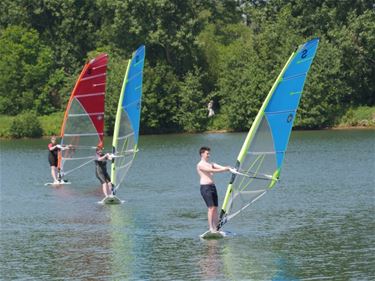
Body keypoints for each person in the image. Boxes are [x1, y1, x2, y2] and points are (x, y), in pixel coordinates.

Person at [197, 146, 230, 233]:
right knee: (211, 208)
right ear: (202, 154)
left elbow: (221, 167)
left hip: (212, 187)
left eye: (209, 153)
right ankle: (211, 228)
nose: (209, 155)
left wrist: (229, 168)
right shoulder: (200, 165)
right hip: (205, 188)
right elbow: (212, 170)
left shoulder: (211, 163)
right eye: (207, 153)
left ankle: (217, 228)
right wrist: (224, 169)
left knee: (215, 208)